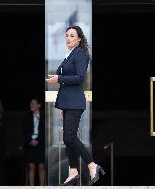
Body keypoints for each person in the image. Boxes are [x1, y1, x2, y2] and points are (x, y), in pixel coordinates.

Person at [46, 25, 105, 186]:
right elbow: (65, 78)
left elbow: (79, 78)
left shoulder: (81, 55)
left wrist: (58, 78)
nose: (68, 38)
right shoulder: (70, 54)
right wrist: (62, 105)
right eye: (66, 36)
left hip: (75, 102)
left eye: (72, 36)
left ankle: (92, 165)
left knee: (70, 137)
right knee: (67, 139)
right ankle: (73, 171)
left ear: (79, 38)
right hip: (68, 103)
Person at [24, 98, 45, 186]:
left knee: (41, 166)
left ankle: (42, 186)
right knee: (31, 166)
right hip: (30, 143)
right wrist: (30, 140)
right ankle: (31, 187)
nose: (31, 105)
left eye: (33, 103)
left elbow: (45, 131)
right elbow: (24, 131)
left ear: (39, 105)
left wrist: (38, 140)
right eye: (30, 104)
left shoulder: (44, 117)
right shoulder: (27, 117)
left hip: (40, 144)